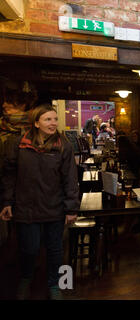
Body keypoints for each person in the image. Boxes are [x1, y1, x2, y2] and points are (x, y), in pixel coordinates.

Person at [0, 104, 80, 300]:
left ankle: (55, 284)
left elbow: (70, 178)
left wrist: (71, 208)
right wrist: (7, 202)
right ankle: (26, 278)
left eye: (55, 119)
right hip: (26, 207)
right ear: (36, 123)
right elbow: (9, 175)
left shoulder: (64, 146)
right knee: (29, 248)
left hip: (54, 207)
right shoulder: (19, 144)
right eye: (48, 119)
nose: (53, 123)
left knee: (55, 249)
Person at [0, 79, 37, 246]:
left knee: (24, 242)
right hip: (4, 190)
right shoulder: (3, 127)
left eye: (11, 103)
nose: (5, 105)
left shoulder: (35, 131)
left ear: (23, 104)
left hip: (26, 196)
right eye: (5, 101)